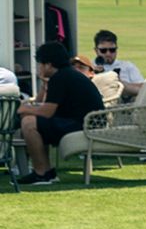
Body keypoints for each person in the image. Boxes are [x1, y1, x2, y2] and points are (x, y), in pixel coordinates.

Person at [18, 42, 105, 186]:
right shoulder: (67, 75)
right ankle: (46, 172)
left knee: (29, 122)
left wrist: (24, 109)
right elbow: (48, 106)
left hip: (85, 124)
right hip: (86, 121)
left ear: (49, 65)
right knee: (34, 121)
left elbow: (47, 112)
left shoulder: (60, 78)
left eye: (40, 64)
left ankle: (42, 173)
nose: (39, 67)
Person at [92, 30, 144, 99]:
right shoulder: (89, 66)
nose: (108, 54)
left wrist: (120, 83)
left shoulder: (127, 66)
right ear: (96, 50)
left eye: (112, 50)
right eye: (103, 50)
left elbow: (142, 87)